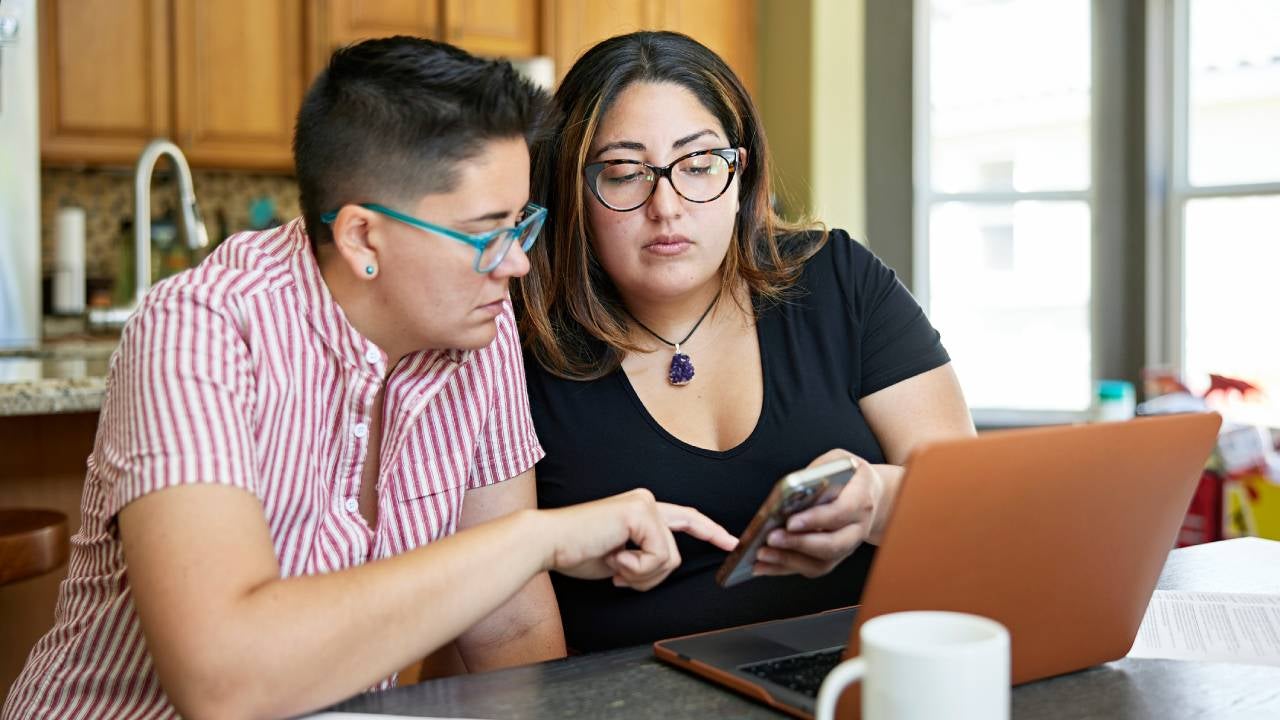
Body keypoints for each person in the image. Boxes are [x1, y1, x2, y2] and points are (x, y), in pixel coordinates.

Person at [2, 37, 735, 720]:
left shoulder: (477, 327)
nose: (516, 264)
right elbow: (224, 681)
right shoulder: (198, 329)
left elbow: (508, 627)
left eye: (522, 224)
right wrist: (539, 538)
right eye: (487, 234)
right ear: (362, 237)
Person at [513, 31, 976, 652]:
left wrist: (877, 499)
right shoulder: (512, 342)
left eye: (699, 165)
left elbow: (968, 510)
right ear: (573, 191)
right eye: (624, 174)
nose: (667, 206)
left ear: (741, 174)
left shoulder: (838, 279)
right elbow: (509, 625)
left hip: (858, 676)